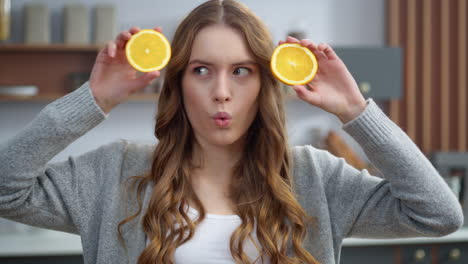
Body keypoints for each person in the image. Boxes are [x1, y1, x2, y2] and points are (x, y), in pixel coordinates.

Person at [0, 0, 463, 263]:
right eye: (202, 70)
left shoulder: (316, 178)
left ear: (264, 84)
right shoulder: (114, 172)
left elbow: (438, 215)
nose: (221, 92)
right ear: (178, 83)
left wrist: (356, 111)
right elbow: (6, 189)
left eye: (241, 71)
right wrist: (93, 98)